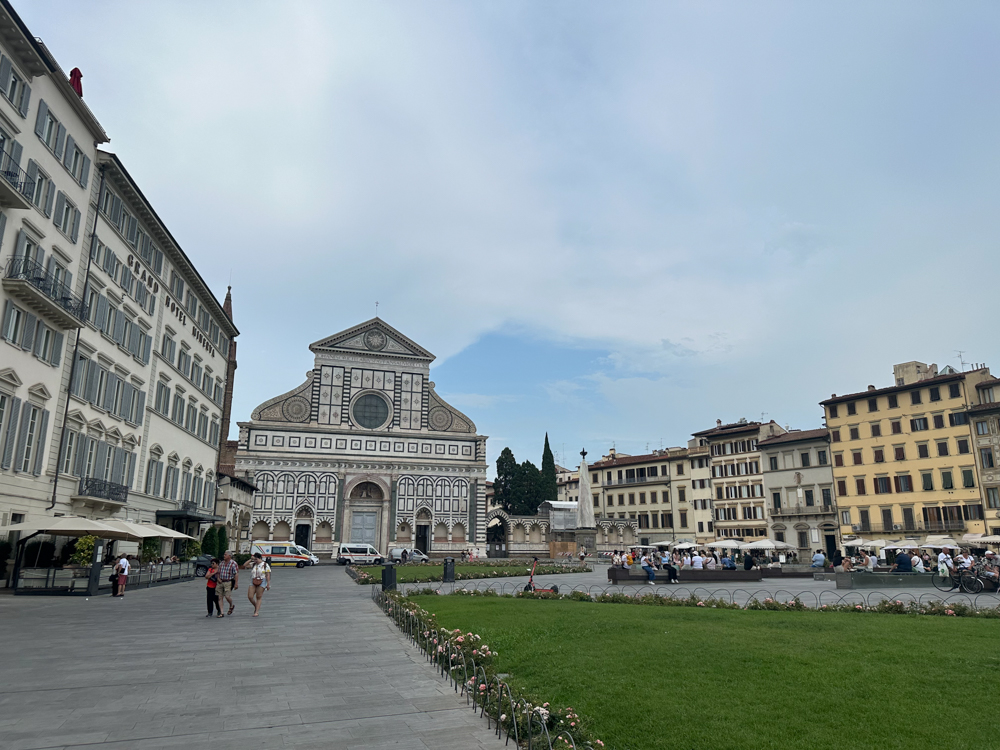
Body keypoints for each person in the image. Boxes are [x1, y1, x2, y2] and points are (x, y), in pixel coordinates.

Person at [244, 552, 271, 617]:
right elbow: (245, 565)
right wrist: (251, 559)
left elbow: (267, 575)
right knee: (250, 596)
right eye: (255, 559)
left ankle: (256, 611)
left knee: (258, 596)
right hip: (253, 580)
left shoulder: (265, 565)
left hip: (262, 580)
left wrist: (268, 584)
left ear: (260, 558)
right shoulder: (253, 564)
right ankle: (256, 606)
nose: (255, 561)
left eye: (256, 559)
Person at [217, 550, 239, 616]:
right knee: (219, 597)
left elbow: (236, 573)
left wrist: (236, 583)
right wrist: (218, 578)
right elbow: (218, 572)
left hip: (228, 581)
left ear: (229, 556)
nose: (224, 556)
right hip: (220, 581)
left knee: (227, 596)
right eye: (224, 554)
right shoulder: (221, 563)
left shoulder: (233, 564)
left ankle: (231, 605)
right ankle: (222, 612)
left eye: (225, 555)